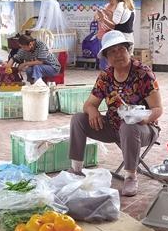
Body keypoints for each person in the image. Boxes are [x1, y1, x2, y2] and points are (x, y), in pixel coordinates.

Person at [67, 31, 162, 197]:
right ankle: (76, 170)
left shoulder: (143, 74)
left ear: (128, 50)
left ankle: (131, 176)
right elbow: (89, 104)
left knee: (129, 126)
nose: (118, 54)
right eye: (112, 51)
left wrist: (144, 118)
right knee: (78, 119)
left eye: (121, 49)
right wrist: (92, 111)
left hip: (143, 129)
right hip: (112, 127)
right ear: (106, 57)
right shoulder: (106, 76)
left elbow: (158, 109)